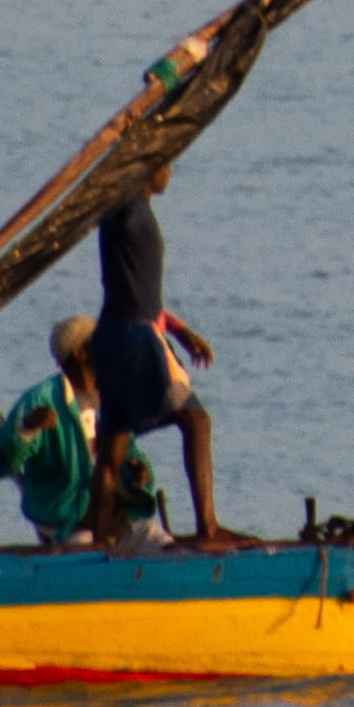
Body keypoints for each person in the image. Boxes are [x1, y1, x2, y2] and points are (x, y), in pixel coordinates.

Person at [82, 159, 235, 550]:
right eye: (165, 165)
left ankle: (100, 539)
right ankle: (208, 528)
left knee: (114, 446)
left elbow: (140, 292)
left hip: (115, 333)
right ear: (147, 168)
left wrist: (180, 331)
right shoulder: (126, 207)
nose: (169, 173)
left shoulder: (135, 210)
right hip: (134, 337)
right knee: (196, 421)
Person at [0, 312, 156, 547]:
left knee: (164, 545)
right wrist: (27, 428)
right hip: (71, 524)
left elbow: (130, 454)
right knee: (92, 557)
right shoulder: (42, 399)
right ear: (81, 352)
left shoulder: (112, 395)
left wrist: (137, 473)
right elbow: (1, 463)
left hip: (118, 521)